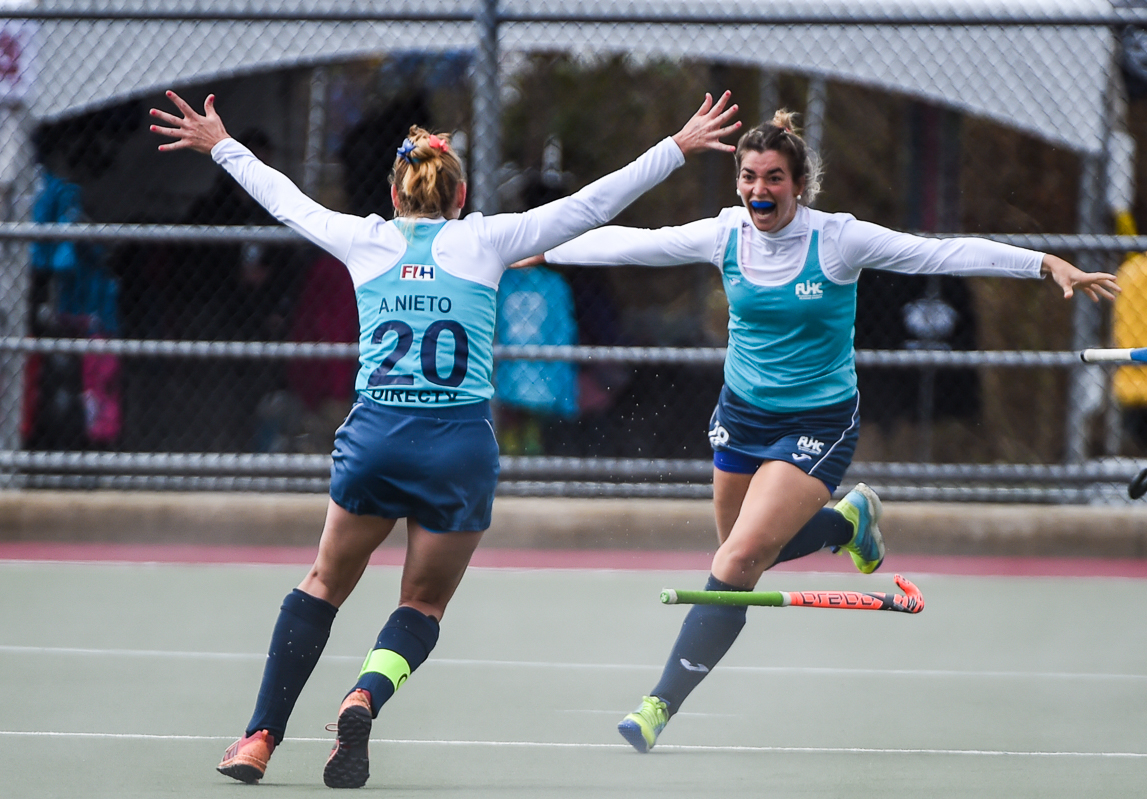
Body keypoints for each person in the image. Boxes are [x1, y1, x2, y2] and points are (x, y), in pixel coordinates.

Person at [149, 88, 740, 787]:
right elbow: (592, 204)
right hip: (457, 445)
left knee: (323, 584)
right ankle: (364, 694)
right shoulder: (486, 240)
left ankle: (257, 738)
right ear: (458, 196)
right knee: (422, 604)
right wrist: (678, 145)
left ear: (396, 196)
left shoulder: (366, 238)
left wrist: (221, 143)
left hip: (378, 436)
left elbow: (285, 199)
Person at [523, 109, 1121, 753]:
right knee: (739, 563)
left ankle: (656, 706)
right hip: (741, 417)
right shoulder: (727, 235)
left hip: (818, 423)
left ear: (799, 185)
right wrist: (539, 248)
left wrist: (1044, 263)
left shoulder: (838, 241)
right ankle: (847, 523)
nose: (760, 190)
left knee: (733, 562)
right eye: (749, 177)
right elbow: (630, 242)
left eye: (774, 178)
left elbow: (938, 253)